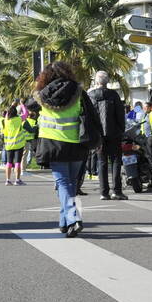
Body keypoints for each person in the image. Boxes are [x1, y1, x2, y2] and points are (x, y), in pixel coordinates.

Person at [34, 61, 100, 237]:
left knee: (63, 184)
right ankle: (66, 222)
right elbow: (91, 116)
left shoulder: (41, 95)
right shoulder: (79, 93)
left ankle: (71, 219)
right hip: (77, 144)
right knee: (71, 184)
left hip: (53, 145)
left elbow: (24, 108)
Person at [87, 71, 128, 201]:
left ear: (96, 81)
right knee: (116, 161)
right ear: (107, 81)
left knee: (101, 162)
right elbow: (120, 115)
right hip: (114, 133)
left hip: (98, 135)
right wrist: (121, 129)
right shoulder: (113, 95)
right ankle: (117, 191)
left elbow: (87, 116)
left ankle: (104, 192)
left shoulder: (90, 95)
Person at [1, 104, 28, 186]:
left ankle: (8, 180)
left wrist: (11, 105)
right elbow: (26, 113)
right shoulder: (19, 119)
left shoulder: (6, 120)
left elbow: (6, 115)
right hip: (18, 144)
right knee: (17, 163)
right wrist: (22, 105)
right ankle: (17, 180)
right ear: (16, 112)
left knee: (8, 163)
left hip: (9, 145)